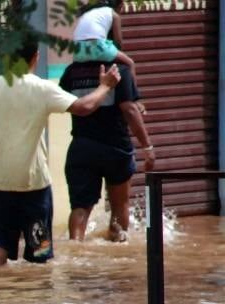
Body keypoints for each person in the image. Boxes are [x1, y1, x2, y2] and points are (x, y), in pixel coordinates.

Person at [0, 35, 122, 266]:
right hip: (34, 184)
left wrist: (6, 132)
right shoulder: (42, 88)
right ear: (35, 57)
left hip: (1, 181)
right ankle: (40, 295)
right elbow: (84, 107)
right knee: (38, 248)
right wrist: (105, 86)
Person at [59, 55, 154, 242]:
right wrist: (147, 146)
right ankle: (118, 251)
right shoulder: (119, 71)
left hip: (82, 147)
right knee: (119, 206)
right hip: (115, 148)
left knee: (80, 207)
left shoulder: (72, 72)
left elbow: (64, 102)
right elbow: (129, 110)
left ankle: (75, 251)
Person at [72, 0, 134, 73]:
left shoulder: (90, 11)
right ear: (120, 5)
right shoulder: (114, 14)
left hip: (77, 50)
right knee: (130, 63)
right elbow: (118, 42)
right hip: (97, 46)